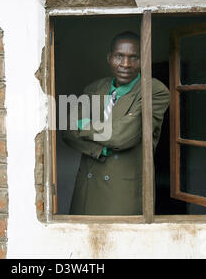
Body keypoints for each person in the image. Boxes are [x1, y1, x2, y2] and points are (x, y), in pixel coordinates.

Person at [62, 31, 170, 215]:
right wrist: (99, 150)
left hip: (122, 192)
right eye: (119, 56)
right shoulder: (95, 88)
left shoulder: (154, 90)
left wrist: (84, 124)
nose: (126, 64)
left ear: (143, 59)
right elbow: (67, 131)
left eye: (133, 57)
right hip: (88, 187)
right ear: (109, 58)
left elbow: (122, 136)